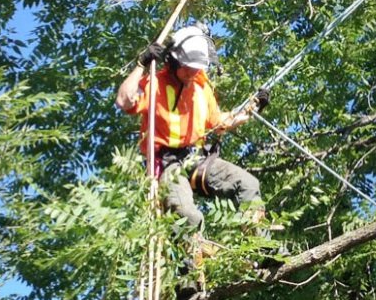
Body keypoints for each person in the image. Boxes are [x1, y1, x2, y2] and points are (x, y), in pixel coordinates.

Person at [115, 24, 277, 235]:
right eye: (188, 67)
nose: (192, 72)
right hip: (167, 164)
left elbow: (219, 122)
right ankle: (191, 264)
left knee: (247, 184)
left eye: (196, 68)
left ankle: (261, 246)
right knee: (187, 216)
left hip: (197, 159)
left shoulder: (201, 87)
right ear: (174, 61)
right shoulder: (155, 83)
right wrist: (141, 64)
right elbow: (123, 100)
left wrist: (253, 108)